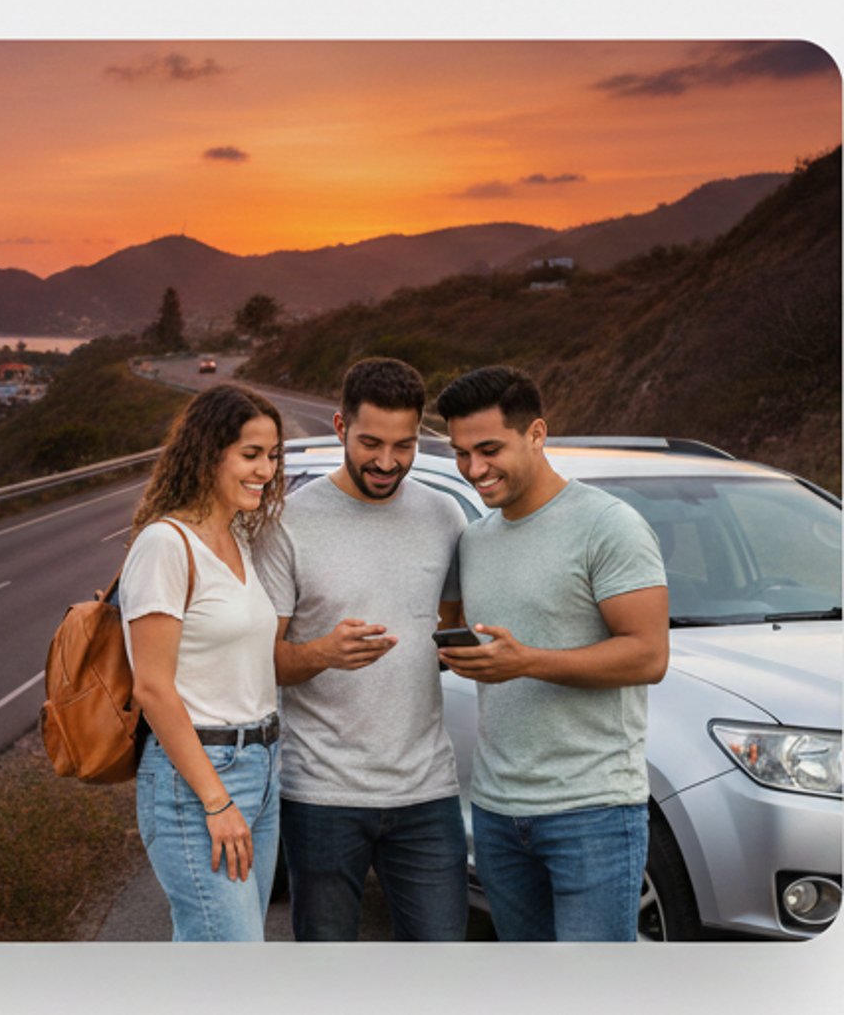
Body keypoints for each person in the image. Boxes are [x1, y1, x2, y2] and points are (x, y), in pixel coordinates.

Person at [434, 365, 669, 942]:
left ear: (536, 434)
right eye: (462, 453)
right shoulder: (476, 539)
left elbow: (647, 656)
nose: (474, 469)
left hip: (592, 810)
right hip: (494, 811)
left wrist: (527, 661)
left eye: (489, 449)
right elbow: (460, 632)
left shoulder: (608, 526)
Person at [253, 357, 469, 941]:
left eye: (403, 445)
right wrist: (322, 652)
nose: (386, 461)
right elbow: (261, 662)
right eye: (371, 441)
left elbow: (450, 630)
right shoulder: (288, 523)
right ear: (339, 426)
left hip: (428, 791)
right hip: (321, 793)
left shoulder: (442, 515)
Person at [120, 383, 287, 941]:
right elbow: (153, 689)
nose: (265, 469)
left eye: (272, 455)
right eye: (250, 455)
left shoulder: (239, 537)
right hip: (198, 778)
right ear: (208, 452)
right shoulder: (166, 544)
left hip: (262, 764)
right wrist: (216, 801)